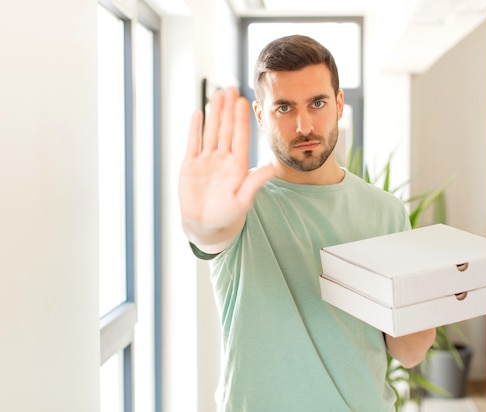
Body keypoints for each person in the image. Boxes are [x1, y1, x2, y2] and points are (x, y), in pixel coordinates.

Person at [178, 34, 436, 412]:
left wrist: (432, 300)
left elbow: (410, 352)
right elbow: (211, 234)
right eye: (284, 107)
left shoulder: (385, 212)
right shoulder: (239, 205)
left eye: (317, 103)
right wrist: (202, 223)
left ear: (339, 104)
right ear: (261, 114)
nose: (303, 125)